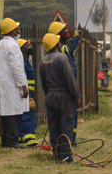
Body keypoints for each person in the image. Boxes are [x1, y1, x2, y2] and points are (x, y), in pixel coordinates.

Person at [40, 33, 81, 163]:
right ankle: (66, 156)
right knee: (66, 125)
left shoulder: (43, 61)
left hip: (50, 96)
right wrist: (77, 97)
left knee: (54, 126)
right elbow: (70, 80)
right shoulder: (62, 58)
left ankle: (56, 155)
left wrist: (49, 96)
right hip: (63, 96)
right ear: (57, 44)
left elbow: (43, 83)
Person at [0, 17, 29, 148]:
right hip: (14, 85)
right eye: (16, 28)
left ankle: (6, 140)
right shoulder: (13, 45)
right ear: (11, 31)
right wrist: (23, 86)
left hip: (3, 84)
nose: (18, 30)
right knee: (14, 114)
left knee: (5, 113)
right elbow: (17, 68)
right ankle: (13, 140)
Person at [49, 21, 80, 144]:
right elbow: (70, 48)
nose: (68, 32)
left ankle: (71, 139)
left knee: (72, 116)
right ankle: (69, 141)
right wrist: (77, 38)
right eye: (64, 31)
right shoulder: (60, 48)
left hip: (67, 87)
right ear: (58, 34)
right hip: (66, 89)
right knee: (69, 116)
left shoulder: (59, 48)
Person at [17, 39, 38, 147]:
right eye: (26, 45)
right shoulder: (22, 62)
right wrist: (29, 97)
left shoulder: (25, 61)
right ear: (21, 49)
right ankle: (29, 139)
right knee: (27, 115)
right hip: (26, 95)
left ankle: (22, 138)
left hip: (28, 94)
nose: (29, 46)